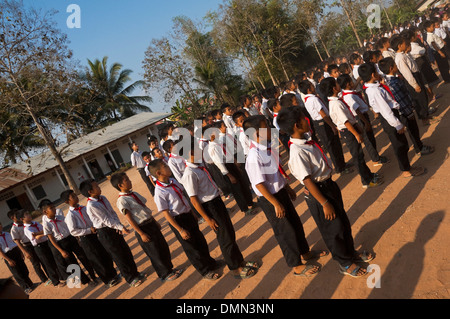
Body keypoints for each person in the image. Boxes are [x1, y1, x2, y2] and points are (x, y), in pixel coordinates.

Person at [277, 106, 375, 278]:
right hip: (319, 193)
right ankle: (345, 263)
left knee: (342, 222)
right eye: (304, 119)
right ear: (296, 125)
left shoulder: (307, 140)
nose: (308, 120)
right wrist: (324, 203)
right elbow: (307, 180)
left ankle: (351, 252)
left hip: (328, 185)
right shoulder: (297, 151)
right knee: (333, 229)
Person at [243, 115, 327, 276]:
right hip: (271, 199)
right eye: (265, 127)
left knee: (295, 224)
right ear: (256, 134)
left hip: (280, 192)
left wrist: (286, 187)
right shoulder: (254, 156)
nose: (269, 129)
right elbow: (259, 184)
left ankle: (305, 252)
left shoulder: (267, 148)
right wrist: (275, 203)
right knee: (284, 231)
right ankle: (295, 265)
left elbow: (275, 171)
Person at [182, 137, 260, 279]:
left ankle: (239, 261)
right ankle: (235, 268)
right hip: (209, 206)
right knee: (224, 237)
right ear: (189, 154)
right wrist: (208, 219)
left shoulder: (199, 165)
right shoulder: (189, 174)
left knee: (229, 233)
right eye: (197, 151)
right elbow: (193, 199)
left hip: (216, 202)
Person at [149, 159, 221, 280]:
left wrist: (192, 213)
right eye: (164, 166)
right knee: (191, 247)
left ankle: (210, 262)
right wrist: (180, 230)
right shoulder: (159, 192)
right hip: (178, 221)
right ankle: (205, 270)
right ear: (158, 173)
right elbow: (166, 214)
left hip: (187, 215)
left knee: (200, 241)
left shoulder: (173, 181)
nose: (167, 167)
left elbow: (184, 198)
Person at [110, 172, 184, 283]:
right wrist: (141, 233)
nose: (130, 181)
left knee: (162, 247)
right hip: (142, 228)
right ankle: (164, 274)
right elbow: (129, 219)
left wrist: (154, 221)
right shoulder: (122, 201)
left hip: (150, 223)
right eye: (127, 180)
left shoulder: (133, 194)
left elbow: (144, 209)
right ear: (120, 185)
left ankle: (169, 269)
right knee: (155, 252)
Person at [359, 63, 426, 178]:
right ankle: (406, 170)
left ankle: (407, 167)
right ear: (372, 74)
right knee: (399, 145)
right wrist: (397, 125)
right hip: (389, 119)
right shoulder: (374, 91)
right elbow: (386, 111)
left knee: (402, 143)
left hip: (390, 117)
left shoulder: (374, 86)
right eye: (376, 71)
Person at [81, 179, 146, 287]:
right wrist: (119, 227)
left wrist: (119, 225)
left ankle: (135, 273)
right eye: (96, 186)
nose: (99, 187)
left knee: (125, 251)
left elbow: (112, 213)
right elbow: (106, 220)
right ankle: (130, 278)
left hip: (114, 226)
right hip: (104, 232)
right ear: (90, 192)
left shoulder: (103, 198)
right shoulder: (91, 205)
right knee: (118, 255)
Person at [320, 77, 382, 188]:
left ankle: (368, 174)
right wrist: (356, 134)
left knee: (360, 154)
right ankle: (366, 180)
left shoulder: (336, 100)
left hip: (351, 128)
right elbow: (345, 121)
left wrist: (357, 125)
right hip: (348, 131)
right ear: (334, 88)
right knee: (357, 156)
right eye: (337, 84)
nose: (339, 85)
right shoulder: (336, 104)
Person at [61, 190, 121, 288]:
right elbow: (73, 231)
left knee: (105, 254)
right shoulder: (70, 215)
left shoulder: (84, 208)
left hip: (95, 233)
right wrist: (89, 230)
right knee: (96, 258)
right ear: (67, 201)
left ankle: (113, 273)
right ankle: (107, 279)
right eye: (73, 196)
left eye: (75, 195)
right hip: (86, 238)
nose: (76, 197)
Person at [378, 58, 435, 157]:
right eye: (395, 65)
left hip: (405, 110)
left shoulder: (390, 80)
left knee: (413, 129)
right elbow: (400, 100)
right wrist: (409, 113)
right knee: (413, 130)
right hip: (405, 111)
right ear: (391, 68)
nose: (397, 66)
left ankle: (419, 146)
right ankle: (419, 148)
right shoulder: (393, 83)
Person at [298, 80, 353, 176]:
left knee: (335, 144)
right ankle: (340, 168)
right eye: (311, 85)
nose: (313, 86)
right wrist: (332, 126)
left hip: (321, 123)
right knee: (332, 146)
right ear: (308, 89)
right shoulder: (313, 99)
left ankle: (342, 164)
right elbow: (322, 114)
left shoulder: (309, 99)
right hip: (323, 123)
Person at [40, 200, 97, 286]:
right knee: (73, 263)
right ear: (45, 212)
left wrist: (77, 239)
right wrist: (61, 250)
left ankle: (94, 276)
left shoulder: (61, 218)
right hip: (61, 243)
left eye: (54, 207)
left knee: (83, 257)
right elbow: (51, 239)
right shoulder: (46, 224)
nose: (54, 209)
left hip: (71, 239)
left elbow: (71, 229)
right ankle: (86, 281)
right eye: (51, 208)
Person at [338, 74, 389, 167]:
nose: (353, 83)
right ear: (348, 84)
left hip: (362, 117)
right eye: (351, 81)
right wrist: (365, 122)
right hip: (360, 118)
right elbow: (357, 111)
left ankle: (376, 156)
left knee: (370, 137)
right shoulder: (349, 96)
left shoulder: (349, 93)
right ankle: (375, 159)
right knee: (368, 139)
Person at [391, 35, 433, 125]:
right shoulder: (399, 58)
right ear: (399, 46)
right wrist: (414, 84)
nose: (406, 45)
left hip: (416, 75)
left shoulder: (404, 54)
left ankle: (426, 114)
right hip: (412, 79)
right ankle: (424, 119)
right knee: (419, 99)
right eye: (404, 44)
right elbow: (406, 73)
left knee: (423, 96)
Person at [19, 210, 65, 287]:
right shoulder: (26, 229)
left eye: (28, 213)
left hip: (46, 243)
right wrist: (44, 233)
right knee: (47, 264)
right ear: (22, 219)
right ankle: (56, 282)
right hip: (39, 247)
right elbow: (35, 237)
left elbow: (43, 230)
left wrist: (42, 233)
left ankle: (61, 276)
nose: (29, 215)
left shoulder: (35, 223)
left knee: (54, 260)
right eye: (26, 214)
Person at [8, 209, 49, 286]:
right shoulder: (14, 229)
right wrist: (25, 252)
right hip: (27, 246)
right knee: (36, 263)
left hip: (36, 243)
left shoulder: (27, 223)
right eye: (16, 216)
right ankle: (44, 279)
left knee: (43, 260)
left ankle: (49, 275)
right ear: (12, 218)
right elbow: (17, 242)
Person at [0, 222, 35, 294]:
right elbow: (0, 251)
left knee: (23, 268)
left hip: (15, 251)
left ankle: (30, 284)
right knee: (16, 272)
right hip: (8, 254)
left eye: (0, 225)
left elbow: (14, 243)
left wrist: (20, 252)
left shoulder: (7, 234)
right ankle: (25, 287)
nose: (0, 226)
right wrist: (8, 260)